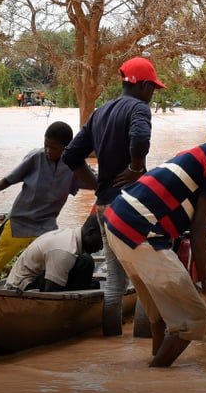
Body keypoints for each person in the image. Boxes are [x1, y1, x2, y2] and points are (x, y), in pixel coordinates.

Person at [102, 106, 206, 367]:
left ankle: (155, 382)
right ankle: (155, 376)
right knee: (193, 318)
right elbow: (200, 227)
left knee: (159, 312)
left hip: (117, 222)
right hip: (141, 230)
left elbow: (193, 226)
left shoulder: (196, 153)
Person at [62, 56, 159, 336]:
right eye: (152, 87)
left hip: (105, 205)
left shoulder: (101, 111)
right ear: (141, 85)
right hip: (132, 203)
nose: (152, 94)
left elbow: (71, 155)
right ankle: (143, 344)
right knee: (145, 278)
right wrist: (136, 168)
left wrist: (97, 184)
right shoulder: (139, 108)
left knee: (115, 279)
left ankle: (110, 341)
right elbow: (140, 139)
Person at [0, 121, 86, 286]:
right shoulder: (36, 157)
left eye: (53, 147)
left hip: (46, 227)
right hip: (19, 222)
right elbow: (8, 179)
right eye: (45, 145)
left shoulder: (74, 165)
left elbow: (95, 182)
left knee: (49, 267)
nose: (47, 150)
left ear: (66, 148)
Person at [5, 214, 102, 292]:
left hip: (37, 278)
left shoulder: (71, 237)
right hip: (23, 287)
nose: (102, 247)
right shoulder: (65, 250)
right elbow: (52, 292)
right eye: (102, 240)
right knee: (86, 262)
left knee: (92, 283)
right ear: (90, 232)